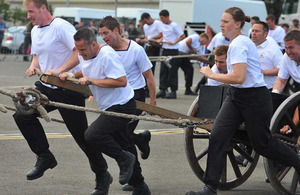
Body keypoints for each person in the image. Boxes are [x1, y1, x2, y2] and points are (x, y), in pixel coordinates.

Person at [186, 7, 300, 195]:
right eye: (221, 21)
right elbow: (237, 82)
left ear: (237, 24)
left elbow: (239, 77)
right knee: (218, 136)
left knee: (262, 144)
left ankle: (297, 162)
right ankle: (210, 186)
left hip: (254, 97)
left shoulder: (239, 44)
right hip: (235, 96)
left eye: (225, 21)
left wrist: (211, 73)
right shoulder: (235, 43)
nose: (221, 24)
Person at [12, 1, 108, 195]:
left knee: (83, 138)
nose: (28, 15)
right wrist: (33, 65)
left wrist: (60, 70)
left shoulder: (61, 27)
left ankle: (102, 174)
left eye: (31, 11)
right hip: (46, 86)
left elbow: (78, 53)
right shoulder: (36, 30)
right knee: (22, 114)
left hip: (68, 89)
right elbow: (37, 55)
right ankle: (44, 156)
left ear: (42, 8)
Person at [67, 27, 149, 195]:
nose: (80, 54)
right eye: (78, 50)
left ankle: (123, 158)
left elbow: (121, 81)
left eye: (83, 50)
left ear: (94, 44)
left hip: (122, 105)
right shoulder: (86, 55)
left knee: (92, 135)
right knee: (125, 143)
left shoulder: (108, 55)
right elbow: (88, 69)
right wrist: (73, 75)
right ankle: (140, 186)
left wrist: (92, 81)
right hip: (109, 105)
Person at [98, 17, 153, 193]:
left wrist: (153, 102)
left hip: (135, 98)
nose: (103, 38)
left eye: (106, 33)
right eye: (101, 34)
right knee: (124, 137)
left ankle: (137, 181)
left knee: (123, 137)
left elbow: (149, 78)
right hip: (116, 98)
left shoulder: (136, 49)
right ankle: (140, 140)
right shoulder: (105, 51)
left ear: (116, 30)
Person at [156, 9, 185, 99]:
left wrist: (174, 42)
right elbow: (164, 35)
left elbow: (182, 36)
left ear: (167, 17)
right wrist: (160, 40)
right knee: (163, 70)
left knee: (172, 71)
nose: (161, 20)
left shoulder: (174, 25)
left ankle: (173, 91)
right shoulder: (163, 25)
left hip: (173, 50)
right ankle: (163, 89)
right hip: (165, 49)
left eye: (162, 18)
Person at [251, 21, 282, 90]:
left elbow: (282, 70)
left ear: (265, 34)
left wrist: (263, 72)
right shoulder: (249, 47)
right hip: (250, 89)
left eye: (257, 31)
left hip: (268, 89)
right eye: (252, 31)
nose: (253, 33)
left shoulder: (273, 49)